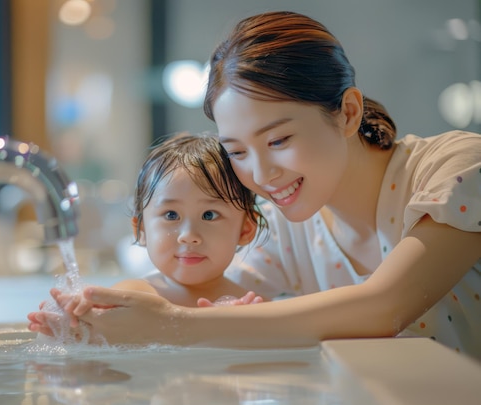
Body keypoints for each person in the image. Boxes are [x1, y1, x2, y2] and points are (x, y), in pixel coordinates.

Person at [30, 11, 481, 357]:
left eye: (279, 139)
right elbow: (195, 285)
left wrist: (171, 325)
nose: (262, 176)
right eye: (238, 152)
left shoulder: (456, 168)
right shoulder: (289, 224)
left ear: (347, 112)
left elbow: (385, 306)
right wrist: (100, 308)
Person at [28, 132, 269, 333]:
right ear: (141, 230)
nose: (188, 235)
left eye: (209, 215)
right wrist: (71, 327)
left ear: (245, 229)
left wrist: (239, 328)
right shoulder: (127, 298)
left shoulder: (252, 307)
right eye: (171, 215)